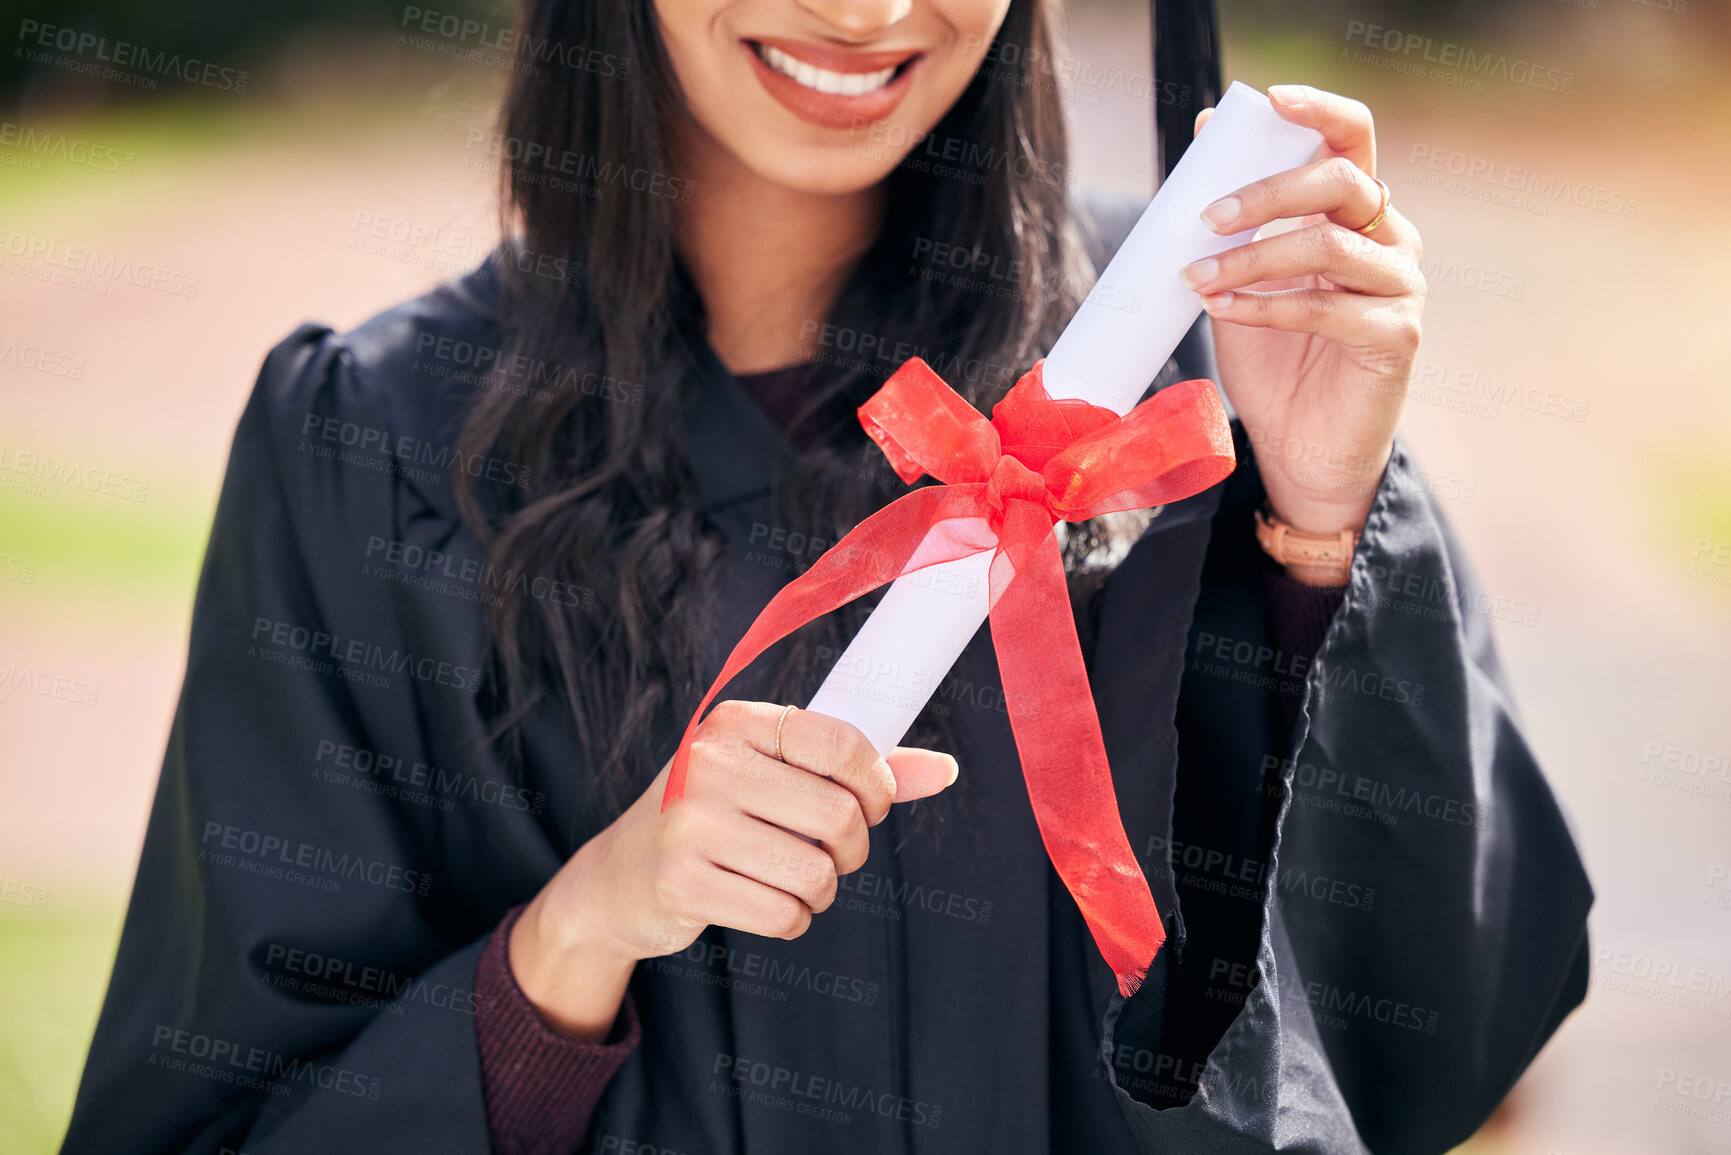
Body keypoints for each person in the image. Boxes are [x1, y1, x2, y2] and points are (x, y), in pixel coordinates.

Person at [62, 0, 1592, 1152]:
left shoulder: (1189, 373)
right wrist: (578, 934)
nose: (867, 11)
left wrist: (1318, 535)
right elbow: (227, 1118)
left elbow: (1442, 1040)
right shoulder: (372, 449)